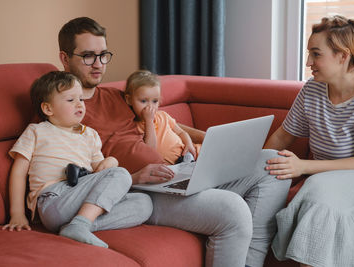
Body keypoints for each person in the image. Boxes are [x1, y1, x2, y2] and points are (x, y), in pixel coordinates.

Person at [58, 16, 291, 267]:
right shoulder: (62, 108)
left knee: (274, 162)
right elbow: (72, 173)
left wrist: (211, 138)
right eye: (88, 56)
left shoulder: (118, 96)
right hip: (138, 191)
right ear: (64, 58)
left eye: (103, 55)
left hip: (174, 173)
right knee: (232, 209)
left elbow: (164, 121)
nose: (98, 64)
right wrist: (131, 178)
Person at [264, 15, 354, 267]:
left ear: (343, 56)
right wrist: (256, 161)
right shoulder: (312, 89)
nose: (309, 62)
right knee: (323, 198)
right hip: (328, 177)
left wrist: (303, 167)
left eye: (316, 54)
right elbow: (283, 135)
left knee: (317, 192)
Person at [2, 71, 152, 249]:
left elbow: (100, 171)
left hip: (81, 200)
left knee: (144, 203)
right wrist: (17, 213)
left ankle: (79, 225)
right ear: (48, 109)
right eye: (70, 100)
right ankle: (80, 224)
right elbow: (18, 172)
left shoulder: (90, 134)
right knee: (121, 174)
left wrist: (110, 161)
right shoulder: (37, 131)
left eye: (81, 99)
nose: (79, 104)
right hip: (53, 200)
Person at [124, 70, 201, 164]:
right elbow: (150, 150)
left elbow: (181, 132)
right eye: (143, 101)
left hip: (190, 154)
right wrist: (149, 122)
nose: (150, 106)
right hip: (174, 166)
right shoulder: (134, 127)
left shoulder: (163, 116)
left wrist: (189, 144)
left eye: (155, 101)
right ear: (129, 100)